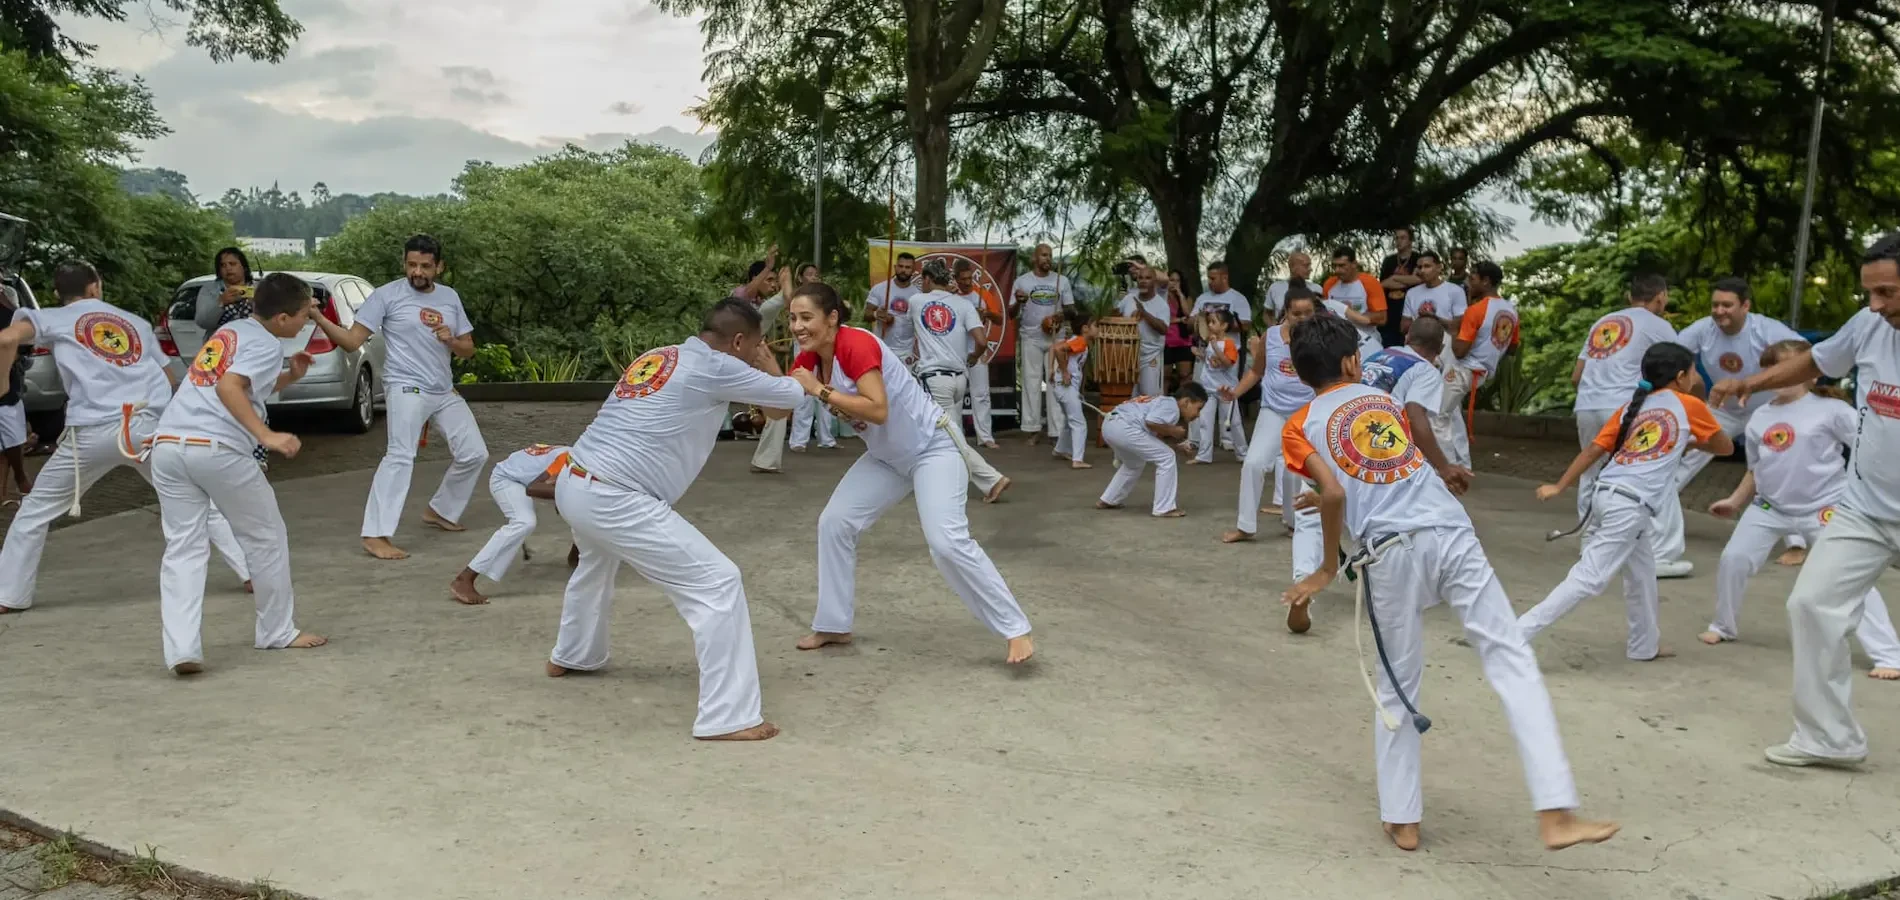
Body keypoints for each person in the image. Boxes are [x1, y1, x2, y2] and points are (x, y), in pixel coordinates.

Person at [1278, 312, 1617, 853]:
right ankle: (1556, 813)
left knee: (1399, 689)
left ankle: (1403, 818)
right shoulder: (1380, 401)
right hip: (1450, 533)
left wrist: (1324, 568)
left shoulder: (1298, 425)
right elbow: (1386, 467)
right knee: (1511, 658)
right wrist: (1335, 498)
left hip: (1390, 553)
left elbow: (1341, 491)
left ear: (1300, 374)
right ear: (1351, 362)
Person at [549, 298, 806, 741]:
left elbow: (777, 414)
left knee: (594, 565)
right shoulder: (717, 367)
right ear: (740, 341)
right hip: (617, 496)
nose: (755, 354)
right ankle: (729, 718)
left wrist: (763, 368)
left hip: (575, 481)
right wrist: (772, 365)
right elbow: (789, 397)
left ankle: (572, 654)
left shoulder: (660, 355)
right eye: (754, 346)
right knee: (718, 582)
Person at [1708, 232, 1900, 767]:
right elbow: (1816, 362)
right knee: (1813, 606)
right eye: (1871, 294)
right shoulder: (1869, 325)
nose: (1876, 306)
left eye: (1888, 293)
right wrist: (1752, 381)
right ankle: (1829, 738)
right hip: (1863, 506)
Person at [785, 282, 1035, 665]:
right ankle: (834, 624)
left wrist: (821, 391)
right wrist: (757, 363)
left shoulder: (856, 344)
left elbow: (878, 409)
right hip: (887, 457)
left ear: (832, 318)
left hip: (932, 447)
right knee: (835, 522)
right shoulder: (808, 360)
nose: (797, 327)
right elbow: (776, 405)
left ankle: (1015, 628)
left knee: (947, 542)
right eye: (792, 318)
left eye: (806, 317)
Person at [0, 261, 252, 614]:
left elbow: (7, 337)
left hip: (90, 431)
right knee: (196, 499)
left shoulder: (52, 318)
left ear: (59, 293)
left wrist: (2, 385)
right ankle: (250, 571)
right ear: (95, 286)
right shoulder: (134, 322)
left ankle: (8, 595)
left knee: (36, 511)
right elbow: (169, 377)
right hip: (145, 424)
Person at [150, 272, 329, 674]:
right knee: (265, 537)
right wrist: (268, 434)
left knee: (183, 549)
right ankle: (276, 631)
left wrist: (290, 377)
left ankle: (182, 648)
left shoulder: (232, 331)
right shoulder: (265, 343)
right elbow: (229, 389)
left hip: (170, 444)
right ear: (282, 318)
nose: (307, 323)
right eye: (304, 315)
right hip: (218, 450)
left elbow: (242, 388)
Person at [1702, 341, 1900, 678]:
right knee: (1733, 559)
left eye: (1790, 367)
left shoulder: (1833, 411)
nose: (1780, 376)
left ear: (1810, 374)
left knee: (1850, 579)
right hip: (1770, 507)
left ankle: (1889, 655)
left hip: (1825, 508)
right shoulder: (1759, 417)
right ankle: (1723, 625)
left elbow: (1871, 447)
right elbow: (1756, 469)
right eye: (1772, 369)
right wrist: (1734, 501)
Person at [1521, 343, 1730, 661]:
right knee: (1588, 578)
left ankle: (1644, 645)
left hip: (1607, 495)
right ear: (1680, 376)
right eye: (1693, 372)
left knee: (1642, 575)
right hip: (1630, 505)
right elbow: (1724, 446)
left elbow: (1593, 450)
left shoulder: (1636, 405)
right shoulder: (1689, 405)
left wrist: (1560, 485)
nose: (1695, 378)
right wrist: (1688, 439)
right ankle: (1517, 633)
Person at [307, 234, 487, 561]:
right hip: (405, 387)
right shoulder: (386, 296)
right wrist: (320, 319)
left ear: (439, 267)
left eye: (425, 266)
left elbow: (469, 349)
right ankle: (375, 534)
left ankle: (441, 510)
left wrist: (451, 341)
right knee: (400, 457)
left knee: (475, 453)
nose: (417, 271)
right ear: (404, 263)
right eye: (411, 264)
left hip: (443, 389)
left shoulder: (449, 297)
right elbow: (351, 341)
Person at [1666, 278, 1805, 568]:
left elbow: (1803, 355)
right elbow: (1671, 354)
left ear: (1745, 306)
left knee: (1776, 467)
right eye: (1715, 304)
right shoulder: (1704, 329)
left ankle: (1797, 542)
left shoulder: (1767, 329)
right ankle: (1654, 515)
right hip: (1723, 408)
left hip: (1768, 409)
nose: (1719, 311)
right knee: (1687, 453)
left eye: (1727, 305)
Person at [1567, 273, 1688, 577]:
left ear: (1628, 296)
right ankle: (1663, 554)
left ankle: (1592, 544)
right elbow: (1682, 369)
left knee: (1592, 472)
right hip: (1624, 406)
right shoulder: (1659, 325)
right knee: (1651, 472)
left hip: (1587, 404)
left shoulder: (1603, 323)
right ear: (1661, 297)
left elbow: (1576, 376)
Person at [1221, 288, 1321, 544]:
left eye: (1308, 312)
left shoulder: (1321, 337)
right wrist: (1235, 393)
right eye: (1296, 313)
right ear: (1285, 312)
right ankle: (1245, 527)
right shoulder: (1271, 336)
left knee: (1293, 471)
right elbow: (1256, 371)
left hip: (1306, 412)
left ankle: (1292, 521)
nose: (1302, 317)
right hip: (1273, 409)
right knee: (1253, 463)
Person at [910, 260, 1011, 503]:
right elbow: (982, 341)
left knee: (950, 437)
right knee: (938, 433)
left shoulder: (916, 302)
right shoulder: (964, 305)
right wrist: (974, 357)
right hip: (959, 378)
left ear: (926, 279)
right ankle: (939, 479)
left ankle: (991, 479)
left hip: (936, 379)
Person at [450, 443, 571, 606]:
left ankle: (575, 556)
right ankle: (464, 579)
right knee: (524, 522)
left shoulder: (589, 459)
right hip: (508, 478)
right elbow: (534, 487)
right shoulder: (568, 458)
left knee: (581, 507)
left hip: (526, 475)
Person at [1360, 318, 1471, 495]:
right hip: (1375, 446)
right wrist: (1444, 467)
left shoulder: (1381, 354)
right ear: (1441, 349)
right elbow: (1415, 416)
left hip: (1346, 430)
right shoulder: (1425, 370)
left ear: (1407, 338)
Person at [1443, 261, 1518, 470]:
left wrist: (1456, 329)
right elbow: (1512, 349)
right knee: (1452, 413)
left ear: (1485, 281)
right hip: (1483, 371)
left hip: (1463, 369)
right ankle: (1463, 464)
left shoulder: (1477, 310)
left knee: (1437, 416)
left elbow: (1459, 350)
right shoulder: (1511, 311)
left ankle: (1448, 469)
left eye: (1472, 278)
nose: (1468, 282)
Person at [1096, 383, 1206, 517]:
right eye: (1198, 408)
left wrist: (1176, 446)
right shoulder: (1171, 406)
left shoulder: (1160, 401)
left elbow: (1150, 441)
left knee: (1134, 463)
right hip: (1124, 427)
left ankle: (1109, 499)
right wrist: (1173, 431)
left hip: (1110, 425)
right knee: (1167, 457)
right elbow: (1151, 422)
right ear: (1186, 402)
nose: (1198, 414)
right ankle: (1164, 508)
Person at [1011, 243, 1073, 445]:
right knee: (1031, 381)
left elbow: (1073, 310)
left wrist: (1062, 314)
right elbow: (1011, 313)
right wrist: (1019, 302)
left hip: (1057, 337)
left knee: (1055, 382)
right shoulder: (1022, 281)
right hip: (1031, 336)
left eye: (1050, 255)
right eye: (1044, 255)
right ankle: (1032, 428)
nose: (1047, 259)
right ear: (1034, 259)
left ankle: (1056, 432)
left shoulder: (1061, 281)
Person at [951, 259, 1004, 448]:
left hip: (977, 349)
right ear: (955, 278)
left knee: (981, 394)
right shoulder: (950, 296)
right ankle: (956, 437)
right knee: (956, 394)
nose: (967, 282)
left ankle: (985, 437)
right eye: (963, 279)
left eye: (970, 278)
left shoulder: (983, 294)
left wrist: (986, 314)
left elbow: (999, 318)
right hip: (956, 350)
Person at [1190, 310, 1248, 465]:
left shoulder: (1229, 344)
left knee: (1233, 422)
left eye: (1213, 322)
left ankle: (1243, 454)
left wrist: (1215, 346)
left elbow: (1227, 363)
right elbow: (1211, 362)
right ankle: (1204, 455)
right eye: (1209, 321)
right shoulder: (1211, 342)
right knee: (1205, 421)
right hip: (1208, 388)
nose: (1209, 325)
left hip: (1226, 390)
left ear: (1224, 326)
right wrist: (1200, 354)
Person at [1049, 308, 1096, 469]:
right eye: (1095, 326)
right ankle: (1078, 459)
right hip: (1065, 386)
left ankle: (1060, 449)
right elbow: (1057, 349)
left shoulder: (1077, 341)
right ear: (1085, 329)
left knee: (1070, 421)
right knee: (1079, 423)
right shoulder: (1080, 342)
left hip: (1065, 387)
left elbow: (1057, 347)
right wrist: (1064, 371)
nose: (1098, 329)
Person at [1322, 246, 1387, 360]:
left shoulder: (1370, 282)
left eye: (1342, 266)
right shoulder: (1329, 284)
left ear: (1354, 264)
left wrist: (1351, 315)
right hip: (1339, 342)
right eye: (1335, 266)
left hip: (1366, 340)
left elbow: (1382, 318)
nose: (1337, 270)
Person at [1117, 265, 1171, 397]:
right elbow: (1116, 317)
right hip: (1129, 355)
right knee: (1131, 397)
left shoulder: (1161, 304)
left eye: (1148, 278)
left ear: (1155, 281)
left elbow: (1164, 329)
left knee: (1149, 397)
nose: (1143, 281)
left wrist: (1144, 313)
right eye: (1140, 278)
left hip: (1151, 356)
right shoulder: (1128, 299)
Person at [0, 283, 31, 504]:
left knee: (11, 437)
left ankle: (19, 479)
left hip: (6, 384)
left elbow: (23, 345)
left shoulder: (8, 309)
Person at [864, 251, 920, 365]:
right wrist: (877, 315)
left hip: (906, 352)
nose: (903, 270)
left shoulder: (918, 295)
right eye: (900, 266)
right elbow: (866, 315)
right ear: (895, 267)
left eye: (908, 267)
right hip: (882, 347)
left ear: (913, 270)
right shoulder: (880, 289)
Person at [1398, 251, 1464, 343]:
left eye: (1427, 266)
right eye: (1420, 267)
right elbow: (1403, 328)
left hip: (1445, 350)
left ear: (1439, 267)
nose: (1422, 271)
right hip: (1417, 348)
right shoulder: (1411, 293)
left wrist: (1434, 318)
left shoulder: (1455, 291)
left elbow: (1459, 327)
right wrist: (1422, 319)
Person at [192, 246, 257, 332]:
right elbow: (202, 322)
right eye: (223, 265)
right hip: (220, 343)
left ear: (244, 267)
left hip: (255, 343)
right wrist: (220, 303)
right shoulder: (209, 290)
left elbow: (274, 321)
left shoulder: (260, 288)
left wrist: (257, 303)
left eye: (232, 264)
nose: (228, 268)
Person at [1377, 227, 1422, 349]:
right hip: (1390, 314)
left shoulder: (1418, 259)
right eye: (1396, 238)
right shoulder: (1389, 261)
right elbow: (1383, 284)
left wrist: (1394, 278)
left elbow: (1419, 280)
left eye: (1403, 238)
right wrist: (1408, 280)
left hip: (1408, 314)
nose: (1398, 241)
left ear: (1410, 240)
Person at [1264, 251, 1323, 321]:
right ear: (1292, 267)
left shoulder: (1317, 289)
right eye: (1306, 266)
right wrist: (1274, 329)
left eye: (1310, 265)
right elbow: (1267, 314)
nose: (1310, 269)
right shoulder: (1275, 288)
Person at [1164, 270, 1196, 389]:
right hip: (1166, 341)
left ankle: (1183, 404)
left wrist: (1180, 295)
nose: (1174, 283)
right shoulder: (1162, 297)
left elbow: (1189, 314)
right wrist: (1179, 320)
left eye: (1177, 281)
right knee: (1165, 377)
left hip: (1183, 341)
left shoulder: (1186, 297)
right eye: (1172, 280)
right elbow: (1162, 319)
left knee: (1185, 375)